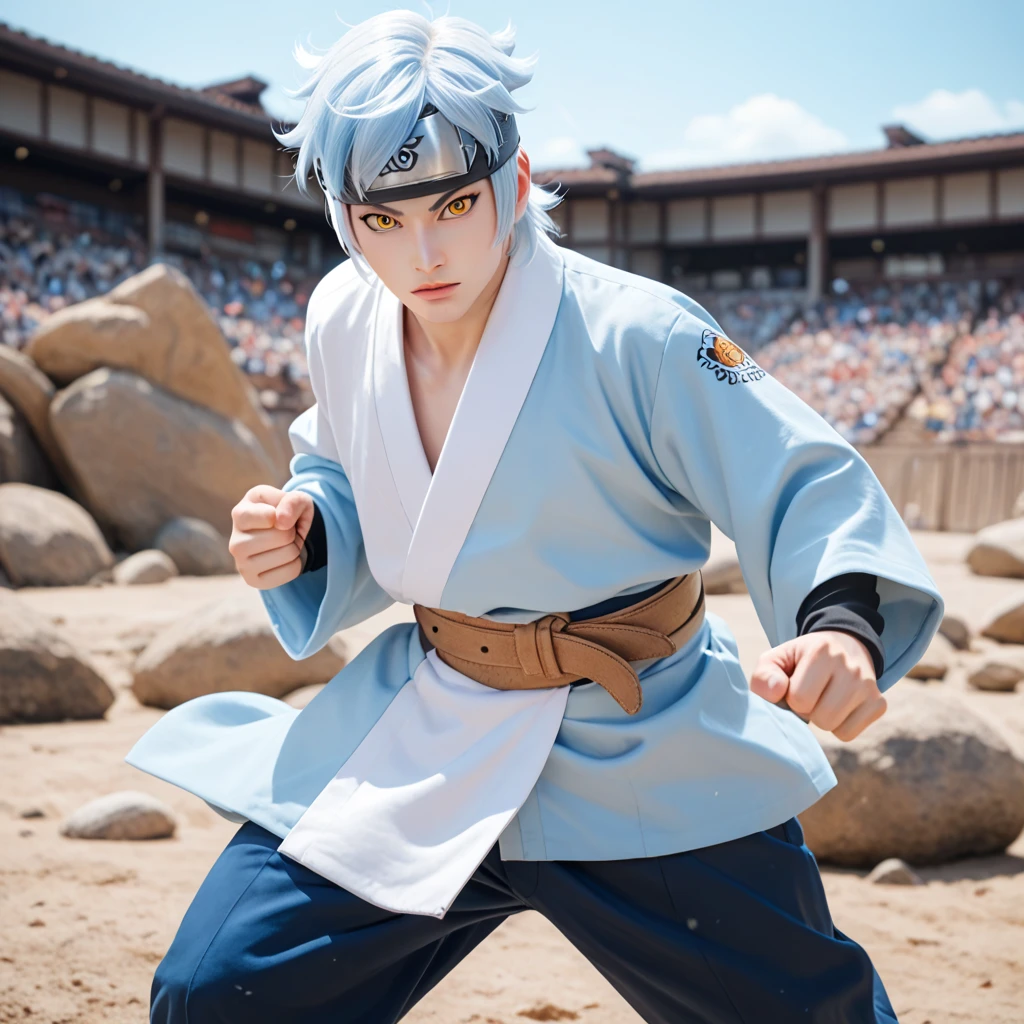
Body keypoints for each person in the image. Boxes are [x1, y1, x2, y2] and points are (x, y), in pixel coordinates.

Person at [127, 11, 943, 1023]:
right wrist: (308, 526)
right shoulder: (342, 316)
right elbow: (353, 473)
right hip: (428, 730)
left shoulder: (638, 331)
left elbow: (796, 469)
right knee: (216, 994)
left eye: (453, 204)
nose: (421, 251)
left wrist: (840, 629)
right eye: (381, 219)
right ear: (345, 216)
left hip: (638, 737)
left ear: (513, 185)